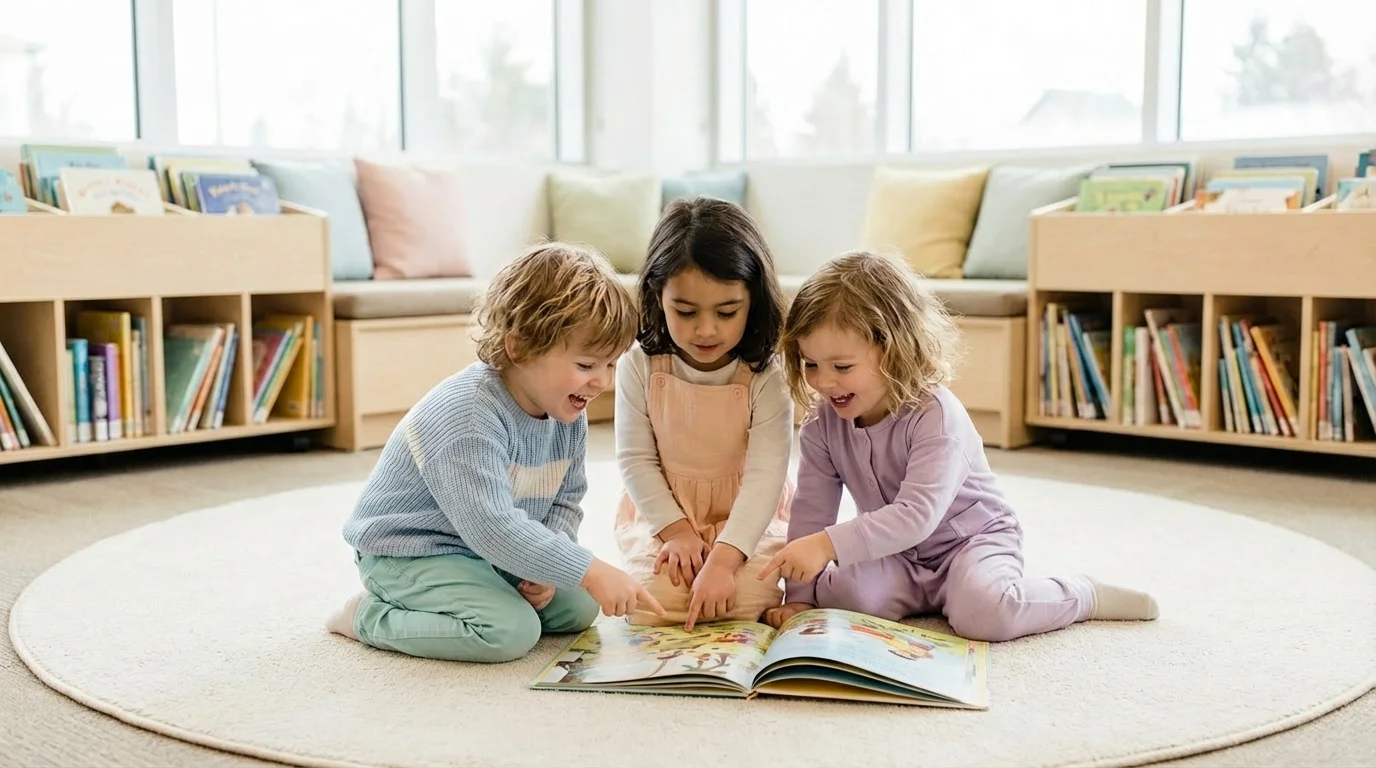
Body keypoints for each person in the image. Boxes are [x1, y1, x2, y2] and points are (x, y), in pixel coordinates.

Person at [758, 250, 1159, 642]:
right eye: (811, 364)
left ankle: (1082, 593)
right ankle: (934, 597)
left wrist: (828, 544)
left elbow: (916, 515)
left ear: (894, 350)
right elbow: (812, 508)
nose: (824, 382)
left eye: (842, 367)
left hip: (971, 542)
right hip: (897, 555)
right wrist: (800, 599)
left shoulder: (935, 415)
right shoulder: (821, 424)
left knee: (987, 614)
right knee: (841, 596)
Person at [325, 243, 665, 662]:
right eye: (586, 365)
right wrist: (587, 568)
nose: (601, 382)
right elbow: (493, 527)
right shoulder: (467, 416)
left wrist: (546, 567)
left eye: (610, 366)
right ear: (519, 347)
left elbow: (564, 500)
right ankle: (367, 616)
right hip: (410, 550)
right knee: (508, 632)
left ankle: (503, 582)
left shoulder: (567, 411)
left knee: (579, 607)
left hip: (482, 549)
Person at [614, 197, 794, 630]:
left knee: (748, 598)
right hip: (666, 512)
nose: (706, 329)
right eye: (686, 311)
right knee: (650, 606)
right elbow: (636, 460)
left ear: (753, 301)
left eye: (727, 312)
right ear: (658, 297)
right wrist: (676, 532)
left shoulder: (765, 375)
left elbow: (765, 476)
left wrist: (724, 560)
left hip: (745, 513)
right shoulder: (638, 364)